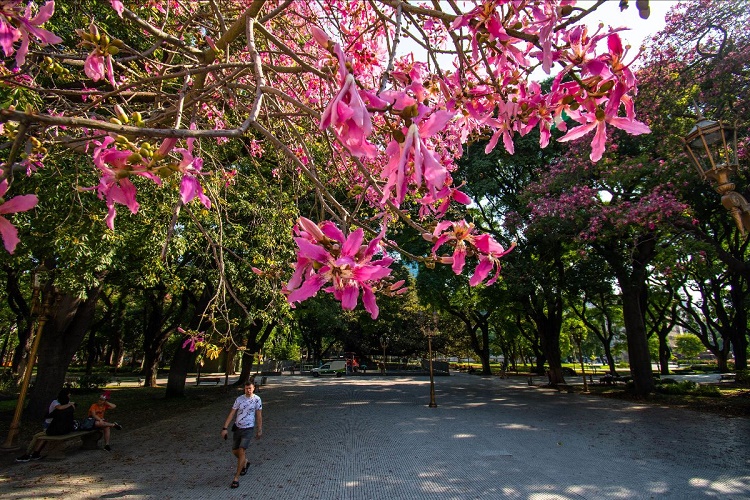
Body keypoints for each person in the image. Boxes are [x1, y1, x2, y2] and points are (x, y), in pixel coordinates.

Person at [221, 380, 263, 489]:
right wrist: (225, 428)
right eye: (246, 389)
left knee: (241, 450)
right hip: (238, 428)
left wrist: (259, 429)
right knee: (235, 451)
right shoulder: (239, 399)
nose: (248, 390)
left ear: (254, 388)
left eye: (250, 388)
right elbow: (232, 413)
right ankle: (246, 462)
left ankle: (236, 478)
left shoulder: (257, 400)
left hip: (248, 428)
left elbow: (259, 415)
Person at [16, 389, 77, 462]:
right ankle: (35, 453)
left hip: (55, 426)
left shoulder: (65, 405)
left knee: (42, 437)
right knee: (43, 438)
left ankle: (32, 453)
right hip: (51, 424)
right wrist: (70, 404)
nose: (70, 396)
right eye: (69, 395)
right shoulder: (57, 403)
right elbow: (60, 408)